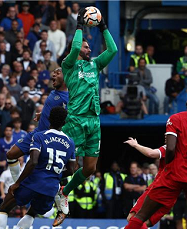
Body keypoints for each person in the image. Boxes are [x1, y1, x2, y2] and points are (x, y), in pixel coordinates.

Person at [125, 91, 187, 229]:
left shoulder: (176, 119)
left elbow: (169, 149)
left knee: (139, 216)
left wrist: (170, 165)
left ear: (186, 104)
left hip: (173, 177)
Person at [55, 9, 117, 225]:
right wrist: (80, 26)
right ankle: (49, 191)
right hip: (75, 119)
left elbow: (113, 49)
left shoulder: (95, 65)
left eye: (89, 45)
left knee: (90, 168)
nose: (89, 47)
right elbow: (74, 47)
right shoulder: (69, 66)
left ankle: (64, 193)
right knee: (66, 164)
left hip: (94, 120)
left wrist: (103, 28)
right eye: (85, 45)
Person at [0, 106, 76, 229]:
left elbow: (33, 161)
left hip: (34, 181)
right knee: (32, 213)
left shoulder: (39, 136)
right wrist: (55, 174)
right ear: (64, 123)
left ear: (48, 119)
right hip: (50, 188)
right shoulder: (70, 142)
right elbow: (71, 170)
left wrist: (17, 183)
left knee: (5, 208)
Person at [6, 68, 68, 182]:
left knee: (38, 170)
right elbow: (52, 107)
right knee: (11, 154)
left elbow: (66, 119)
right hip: (36, 133)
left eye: (58, 73)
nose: (53, 74)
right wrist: (42, 114)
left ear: (67, 76)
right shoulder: (54, 91)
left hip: (48, 140)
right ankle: (16, 182)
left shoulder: (67, 98)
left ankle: (59, 193)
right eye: (53, 72)